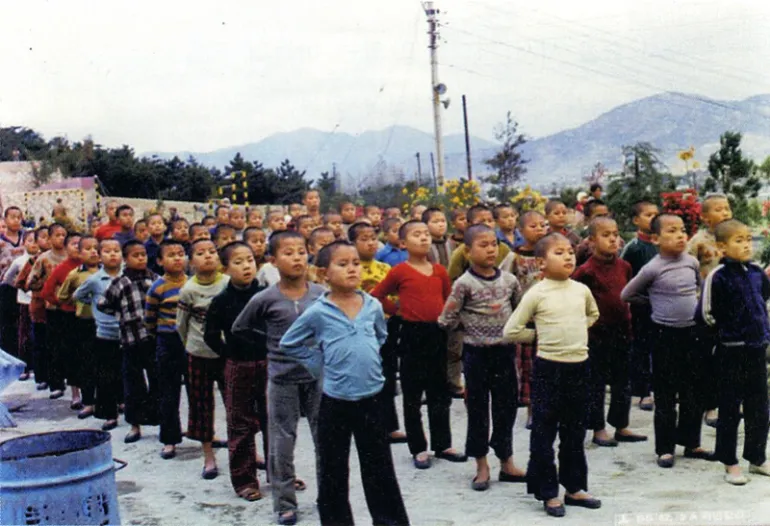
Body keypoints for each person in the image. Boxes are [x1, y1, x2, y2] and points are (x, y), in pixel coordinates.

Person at [280, 241, 410, 526]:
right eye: (343, 264)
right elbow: (289, 343)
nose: (352, 269)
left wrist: (366, 357)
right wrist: (319, 365)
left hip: (372, 399)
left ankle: (390, 521)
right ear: (323, 273)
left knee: (379, 467)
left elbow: (379, 336)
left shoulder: (373, 305)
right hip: (335, 401)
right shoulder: (318, 311)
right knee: (333, 470)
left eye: (355, 263)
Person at [503, 233, 602, 518]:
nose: (569, 257)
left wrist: (577, 329)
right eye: (559, 253)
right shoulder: (537, 292)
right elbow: (510, 330)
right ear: (541, 262)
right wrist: (540, 335)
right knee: (545, 431)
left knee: (575, 430)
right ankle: (547, 492)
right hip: (549, 368)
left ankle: (574, 487)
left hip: (579, 366)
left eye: (570, 251)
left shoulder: (580, 290)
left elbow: (592, 315)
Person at [232, 230, 325, 526]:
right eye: (288, 253)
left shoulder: (321, 294)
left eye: (301, 251)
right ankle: (285, 503)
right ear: (272, 260)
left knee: (325, 438)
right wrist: (273, 345)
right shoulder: (265, 298)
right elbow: (240, 328)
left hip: (317, 379)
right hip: (282, 379)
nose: (296, 258)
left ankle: (329, 496)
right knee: (282, 442)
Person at [621, 213, 713, 469]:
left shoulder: (692, 262)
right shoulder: (653, 267)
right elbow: (627, 294)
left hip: (692, 333)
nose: (680, 235)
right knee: (665, 393)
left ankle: (691, 443)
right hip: (664, 336)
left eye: (682, 230)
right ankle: (665, 448)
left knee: (693, 391)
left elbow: (698, 288)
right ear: (655, 239)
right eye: (671, 231)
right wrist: (654, 304)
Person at [372, 220, 466, 469]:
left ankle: (442, 444)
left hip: (437, 332)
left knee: (439, 390)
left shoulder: (439, 271)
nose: (424, 238)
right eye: (416, 235)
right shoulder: (400, 271)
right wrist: (398, 311)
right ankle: (419, 447)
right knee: (413, 393)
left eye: (426, 234)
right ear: (403, 243)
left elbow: (448, 300)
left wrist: (448, 321)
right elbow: (377, 295)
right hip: (411, 333)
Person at [438, 224, 525, 491]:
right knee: (477, 410)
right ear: (467, 250)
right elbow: (446, 319)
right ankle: (481, 465)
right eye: (482, 245)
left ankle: (506, 461)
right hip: (476, 355)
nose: (490, 250)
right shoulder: (463, 284)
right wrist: (468, 329)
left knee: (506, 407)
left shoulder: (509, 280)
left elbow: (521, 311)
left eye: (493, 244)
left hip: (505, 353)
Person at [698, 219, 770, 485]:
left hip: (756, 349)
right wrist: (728, 337)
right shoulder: (718, 276)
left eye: (748, 239)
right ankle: (730, 462)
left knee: (760, 408)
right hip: (730, 353)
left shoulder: (756, 272)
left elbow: (763, 300)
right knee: (730, 409)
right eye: (738, 241)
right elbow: (706, 315)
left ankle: (757, 457)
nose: (746, 245)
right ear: (721, 247)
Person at [573, 218, 647, 447]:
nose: (613, 239)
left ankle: (621, 426)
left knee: (622, 382)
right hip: (596, 335)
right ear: (592, 241)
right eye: (606, 235)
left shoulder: (624, 266)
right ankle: (598, 429)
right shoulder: (585, 271)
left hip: (623, 332)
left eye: (615, 234)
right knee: (595, 383)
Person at [204, 242, 266, 501]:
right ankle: (244, 481)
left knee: (275, 422)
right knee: (240, 424)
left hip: (269, 364)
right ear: (225, 268)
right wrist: (228, 355)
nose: (246, 266)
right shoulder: (221, 301)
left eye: (249, 260)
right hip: (237, 366)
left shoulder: (267, 295)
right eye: (238, 262)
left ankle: (280, 474)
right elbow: (210, 335)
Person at [177, 239, 230, 480]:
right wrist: (193, 345)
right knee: (201, 405)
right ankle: (208, 456)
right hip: (198, 353)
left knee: (235, 404)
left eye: (212, 251)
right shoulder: (188, 290)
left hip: (227, 354)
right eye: (201, 253)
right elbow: (182, 325)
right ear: (191, 261)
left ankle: (245, 451)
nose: (208, 256)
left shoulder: (228, 284)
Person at [348, 221, 406, 443]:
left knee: (387, 374)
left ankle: (390, 425)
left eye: (373, 238)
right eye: (364, 239)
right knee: (360, 375)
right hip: (357, 328)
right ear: (352, 243)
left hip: (386, 325)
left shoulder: (384, 268)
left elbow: (395, 296)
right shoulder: (350, 269)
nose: (371, 243)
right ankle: (361, 425)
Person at [97, 240, 159, 443]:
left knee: (158, 382)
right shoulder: (120, 283)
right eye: (135, 255)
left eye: (143, 254)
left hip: (153, 339)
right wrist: (120, 315)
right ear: (126, 259)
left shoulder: (155, 280)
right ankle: (134, 425)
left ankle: (161, 423)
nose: (141, 258)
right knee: (133, 385)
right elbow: (103, 304)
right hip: (130, 340)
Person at [688, 193, 733, 427]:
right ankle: (710, 407)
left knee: (730, 358)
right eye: (718, 209)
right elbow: (687, 269)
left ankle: (730, 402)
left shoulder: (733, 239)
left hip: (732, 308)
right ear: (705, 217)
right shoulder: (699, 241)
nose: (725, 213)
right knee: (707, 358)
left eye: (727, 208)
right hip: (706, 307)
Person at [144, 240, 188, 460]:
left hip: (190, 342)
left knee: (198, 391)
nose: (178, 258)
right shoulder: (157, 287)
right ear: (160, 261)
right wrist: (160, 335)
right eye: (171, 255)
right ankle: (169, 439)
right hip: (167, 342)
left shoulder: (192, 284)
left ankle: (202, 433)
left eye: (181, 253)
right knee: (168, 393)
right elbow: (149, 320)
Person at [74, 239, 123, 431]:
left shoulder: (126, 276)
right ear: (100, 256)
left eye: (116, 250)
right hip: (104, 332)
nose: (112, 254)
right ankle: (109, 414)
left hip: (127, 331)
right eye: (108, 251)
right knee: (106, 374)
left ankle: (125, 404)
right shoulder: (95, 280)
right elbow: (78, 295)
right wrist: (96, 307)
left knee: (125, 372)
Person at [621, 201, 660, 412]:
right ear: (636, 220)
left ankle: (660, 388)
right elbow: (624, 275)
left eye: (656, 214)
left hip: (663, 305)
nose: (653, 218)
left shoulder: (663, 243)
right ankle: (643, 392)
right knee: (642, 349)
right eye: (648, 215)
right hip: (642, 306)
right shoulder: (633, 248)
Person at [56, 236, 101, 419]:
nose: (93, 252)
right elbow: (63, 296)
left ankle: (112, 400)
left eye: (96, 248)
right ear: (80, 253)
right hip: (85, 322)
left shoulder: (108, 272)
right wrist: (80, 304)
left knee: (107, 363)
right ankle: (89, 401)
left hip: (106, 323)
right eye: (88, 248)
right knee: (87, 362)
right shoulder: (75, 274)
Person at [510, 211, 547, 427]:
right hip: (527, 319)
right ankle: (532, 410)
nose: (540, 229)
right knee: (530, 368)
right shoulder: (514, 257)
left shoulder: (552, 253)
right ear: (521, 231)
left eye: (543, 225)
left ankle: (549, 409)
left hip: (549, 318)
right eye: (533, 226)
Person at [40, 232, 82, 402]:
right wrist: (62, 303)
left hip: (90, 317)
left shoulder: (92, 266)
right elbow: (46, 292)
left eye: (81, 244)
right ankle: (75, 394)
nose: (78, 248)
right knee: (72, 354)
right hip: (69, 316)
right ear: (66, 248)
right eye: (73, 244)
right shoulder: (62, 268)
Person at [15, 227, 52, 390]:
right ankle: (42, 376)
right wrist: (36, 289)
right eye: (43, 237)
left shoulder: (61, 259)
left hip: (58, 308)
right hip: (38, 307)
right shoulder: (32, 261)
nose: (48, 241)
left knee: (55, 343)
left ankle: (57, 377)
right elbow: (19, 282)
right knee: (40, 342)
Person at [2, 231, 39, 380]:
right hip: (24, 302)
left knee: (38, 335)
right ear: (24, 243)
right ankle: (25, 367)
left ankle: (39, 368)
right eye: (30, 240)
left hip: (38, 302)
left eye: (35, 240)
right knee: (24, 335)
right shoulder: (19, 261)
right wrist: (19, 286)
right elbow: (7, 278)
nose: (33, 243)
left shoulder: (42, 259)